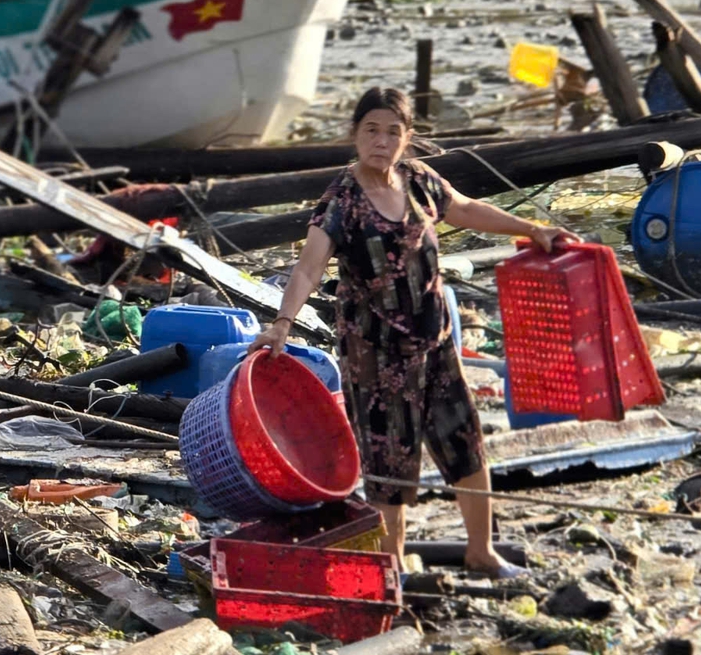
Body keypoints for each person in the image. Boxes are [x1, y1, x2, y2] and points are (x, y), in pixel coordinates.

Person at [248, 85, 579, 576]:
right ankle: (394, 569)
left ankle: (481, 552)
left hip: (435, 343)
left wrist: (532, 229)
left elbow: (464, 208)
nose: (381, 141)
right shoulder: (342, 200)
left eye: (392, 132)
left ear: (407, 138)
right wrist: (281, 324)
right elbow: (309, 267)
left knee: (465, 442)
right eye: (371, 130)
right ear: (355, 134)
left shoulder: (419, 179)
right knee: (390, 464)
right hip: (376, 356)